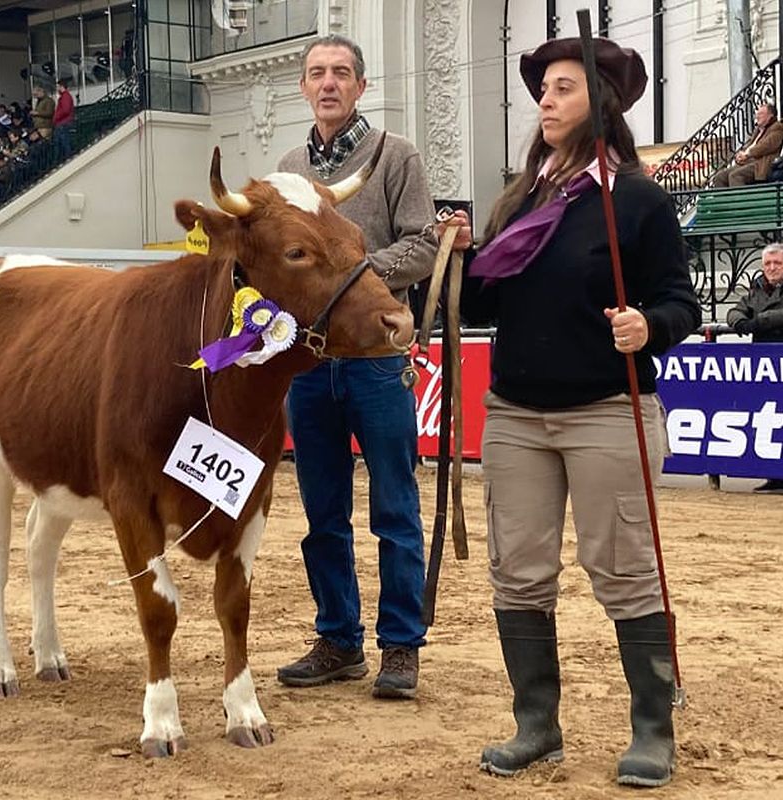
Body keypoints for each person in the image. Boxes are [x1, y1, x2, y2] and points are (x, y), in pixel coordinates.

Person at [454, 36, 699, 787]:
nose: (546, 101)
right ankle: (537, 727)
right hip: (516, 414)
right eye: (544, 89)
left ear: (602, 102)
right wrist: (464, 257)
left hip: (607, 409)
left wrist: (647, 327)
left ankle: (652, 731)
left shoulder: (640, 199)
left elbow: (680, 302)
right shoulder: (522, 197)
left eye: (563, 88)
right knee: (518, 574)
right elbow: (483, 305)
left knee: (624, 572)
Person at [274, 34, 441, 700]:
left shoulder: (396, 154)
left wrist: (352, 278)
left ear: (361, 86)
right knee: (322, 513)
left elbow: (426, 243)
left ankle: (401, 646)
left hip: (376, 358)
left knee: (395, 507)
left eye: (341, 73)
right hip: (310, 363)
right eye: (317, 73)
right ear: (303, 87)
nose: (329, 83)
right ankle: (339, 639)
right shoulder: (288, 166)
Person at [727, 243, 783, 496]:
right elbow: (734, 311)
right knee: (770, 419)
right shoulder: (756, 290)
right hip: (765, 365)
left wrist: (760, 322)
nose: (772, 268)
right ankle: (776, 476)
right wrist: (741, 322)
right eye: (767, 263)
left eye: (777, 263)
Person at [710, 103, 783, 188]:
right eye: (757, 114)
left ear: (770, 116)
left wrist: (747, 154)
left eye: (761, 114)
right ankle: (724, 200)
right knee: (719, 177)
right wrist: (740, 155)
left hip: (761, 164)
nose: (757, 116)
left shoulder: (777, 128)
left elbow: (765, 146)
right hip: (749, 162)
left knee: (735, 176)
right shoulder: (758, 130)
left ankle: (739, 200)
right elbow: (749, 146)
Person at [53, 80, 75, 160]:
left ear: (61, 87)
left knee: (62, 143)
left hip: (63, 123)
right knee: (62, 143)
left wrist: (56, 117)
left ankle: (65, 158)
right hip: (62, 122)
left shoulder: (65, 97)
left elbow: (65, 110)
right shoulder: (65, 97)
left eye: (58, 87)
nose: (57, 89)